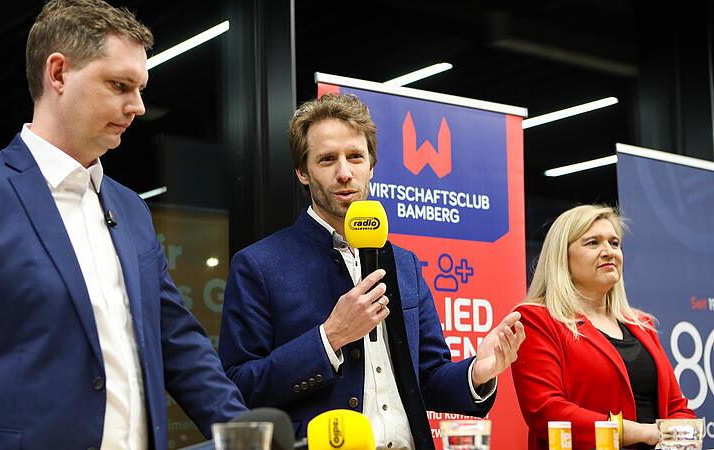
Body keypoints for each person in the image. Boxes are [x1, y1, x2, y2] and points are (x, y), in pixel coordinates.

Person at [0, 1, 246, 448]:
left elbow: (179, 345)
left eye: (141, 88)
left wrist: (248, 436)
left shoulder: (131, 210)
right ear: (58, 74)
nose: (139, 106)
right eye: (120, 85)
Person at [218, 94, 525, 450]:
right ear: (302, 172)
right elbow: (238, 387)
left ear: (372, 165)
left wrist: (479, 371)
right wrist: (329, 338)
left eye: (355, 157)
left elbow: (427, 379)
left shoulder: (404, 263)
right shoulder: (258, 264)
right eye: (327, 159)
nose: (345, 173)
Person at [511, 205, 695, 450]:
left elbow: (677, 408)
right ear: (561, 257)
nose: (609, 251)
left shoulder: (642, 324)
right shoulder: (535, 319)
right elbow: (547, 412)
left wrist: (677, 433)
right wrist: (644, 433)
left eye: (615, 243)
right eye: (593, 243)